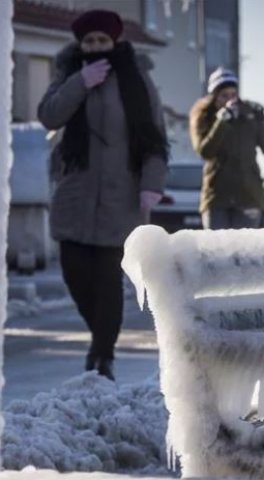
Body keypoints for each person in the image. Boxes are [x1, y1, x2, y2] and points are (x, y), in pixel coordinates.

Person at [37, 9, 168, 380]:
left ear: (115, 42)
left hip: (121, 196)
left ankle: (102, 356)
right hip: (75, 193)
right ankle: (100, 341)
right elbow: (49, 115)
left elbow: (154, 136)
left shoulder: (136, 77)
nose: (95, 47)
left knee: (108, 280)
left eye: (102, 41)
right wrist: (80, 81)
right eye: (89, 41)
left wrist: (151, 185)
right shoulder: (68, 72)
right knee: (75, 274)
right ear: (81, 44)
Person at [189, 67, 264, 229]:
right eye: (224, 96)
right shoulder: (203, 117)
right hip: (216, 198)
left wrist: (262, 119)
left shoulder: (249, 114)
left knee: (245, 252)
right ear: (214, 97)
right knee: (216, 250)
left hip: (248, 196)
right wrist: (221, 122)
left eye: (233, 94)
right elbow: (205, 151)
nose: (230, 100)